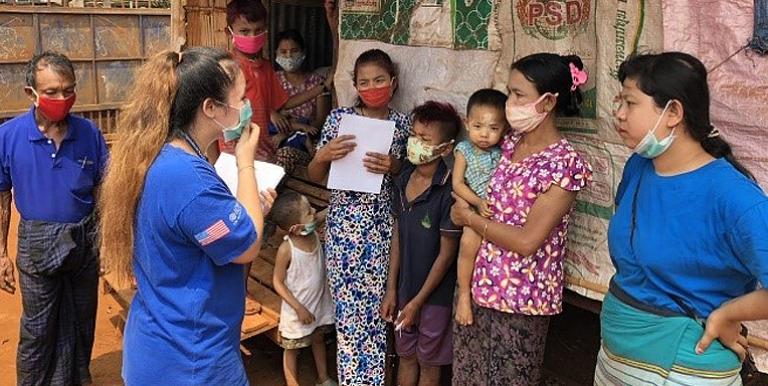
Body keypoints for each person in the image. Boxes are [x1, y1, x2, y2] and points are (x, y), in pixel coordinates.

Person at [98, 47, 275, 385]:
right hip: (192, 361)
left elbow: (199, 227)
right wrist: (245, 161)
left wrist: (250, 210)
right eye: (241, 98)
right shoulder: (189, 180)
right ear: (211, 108)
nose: (247, 107)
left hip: (158, 344)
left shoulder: (160, 156)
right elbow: (248, 246)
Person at [594, 52, 768, 385]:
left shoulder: (734, 197)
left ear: (673, 112)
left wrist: (727, 315)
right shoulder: (639, 168)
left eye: (630, 103)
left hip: (683, 370)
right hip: (615, 358)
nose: (618, 114)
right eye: (619, 101)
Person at [450, 53, 593, 385]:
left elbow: (527, 241)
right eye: (509, 91)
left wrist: (470, 220)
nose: (509, 102)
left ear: (547, 103)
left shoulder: (564, 164)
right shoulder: (509, 145)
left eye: (518, 95)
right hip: (478, 290)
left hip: (521, 301)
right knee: (468, 377)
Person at [0, 51, 108, 386]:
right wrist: (2, 253)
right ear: (30, 93)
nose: (62, 98)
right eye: (51, 92)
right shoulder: (9, 136)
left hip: (84, 242)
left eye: (68, 90)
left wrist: (103, 242)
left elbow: (104, 191)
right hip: (36, 244)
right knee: (38, 331)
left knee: (81, 322)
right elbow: (2, 197)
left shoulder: (89, 134)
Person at [307, 48, 411, 385]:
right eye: (364, 82)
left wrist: (395, 167)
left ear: (393, 82)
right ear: (354, 85)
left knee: (379, 316)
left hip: (383, 233)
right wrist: (323, 154)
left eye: (379, 80)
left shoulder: (403, 124)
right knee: (349, 320)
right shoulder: (339, 120)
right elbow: (315, 175)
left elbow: (413, 178)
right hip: (343, 235)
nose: (372, 87)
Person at [380, 101, 462, 386]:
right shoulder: (403, 179)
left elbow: (446, 256)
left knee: (429, 363)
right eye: (414, 136)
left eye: (425, 140)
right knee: (406, 356)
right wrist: (392, 290)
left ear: (446, 148)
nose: (416, 144)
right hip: (404, 291)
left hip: (435, 299)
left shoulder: (448, 191)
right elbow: (398, 236)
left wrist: (417, 303)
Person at [213, 0, 332, 164]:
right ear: (229, 32)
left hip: (265, 156)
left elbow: (285, 103)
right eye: (244, 31)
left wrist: (323, 87)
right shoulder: (225, 68)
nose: (252, 36)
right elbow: (212, 120)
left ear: (265, 31)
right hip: (233, 159)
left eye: (258, 30)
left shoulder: (266, 68)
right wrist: (213, 165)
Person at [451, 89, 508, 326]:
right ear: (467, 124)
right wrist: (476, 202)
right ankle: (464, 293)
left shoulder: (502, 153)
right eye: (478, 126)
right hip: (474, 210)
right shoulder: (464, 150)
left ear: (504, 129)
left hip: (496, 212)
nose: (485, 134)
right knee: (467, 245)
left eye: (493, 128)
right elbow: (457, 183)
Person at [270, 191, 337, 386]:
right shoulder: (287, 249)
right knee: (291, 349)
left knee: (318, 338)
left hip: (317, 304)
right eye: (309, 211)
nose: (314, 211)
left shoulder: (313, 231)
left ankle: (322, 377)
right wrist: (298, 308)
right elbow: (277, 281)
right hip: (296, 310)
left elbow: (325, 213)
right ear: (297, 228)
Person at [273, 29, 333, 173]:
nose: (289, 56)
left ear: (303, 52)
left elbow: (320, 122)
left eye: (294, 51)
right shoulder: (273, 80)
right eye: (283, 51)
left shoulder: (317, 82)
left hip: (305, 143)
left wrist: (293, 130)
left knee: (284, 155)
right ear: (276, 53)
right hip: (275, 139)